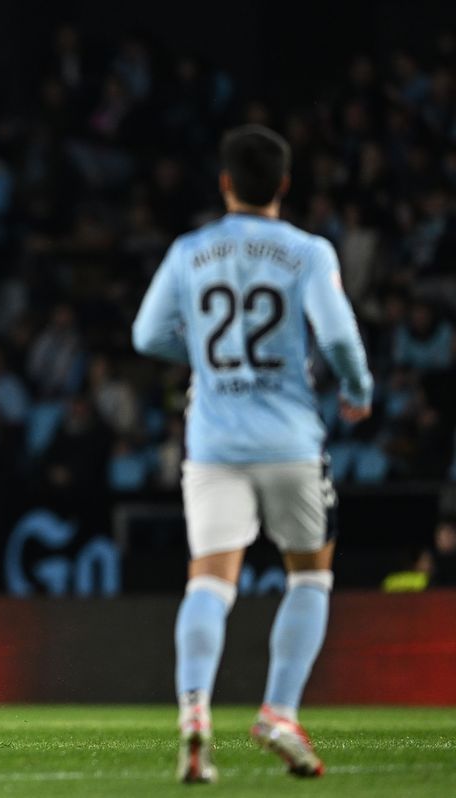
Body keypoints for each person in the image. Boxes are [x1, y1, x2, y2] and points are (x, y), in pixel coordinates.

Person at [132, 125, 373, 783]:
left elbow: (147, 334)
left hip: (213, 443)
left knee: (210, 581)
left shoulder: (189, 250)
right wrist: (357, 390)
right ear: (284, 185)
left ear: (225, 184)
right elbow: (340, 337)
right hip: (291, 439)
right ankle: (279, 712)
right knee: (311, 575)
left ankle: (194, 712)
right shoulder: (307, 250)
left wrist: (204, 358)